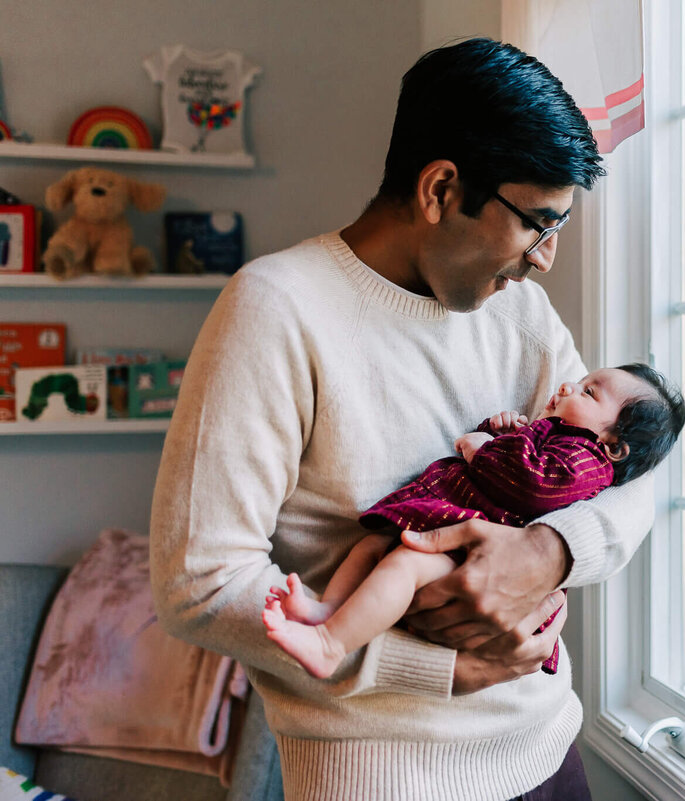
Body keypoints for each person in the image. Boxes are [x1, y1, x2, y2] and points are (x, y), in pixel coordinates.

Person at [150, 38, 657, 801]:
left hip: (552, 755)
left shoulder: (522, 314)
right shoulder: (277, 310)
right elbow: (198, 582)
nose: (546, 259)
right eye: (537, 225)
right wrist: (440, 669)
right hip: (381, 779)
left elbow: (631, 473)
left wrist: (551, 549)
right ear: (441, 188)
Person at [261, 364, 685, 680]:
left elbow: (532, 485)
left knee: (403, 565)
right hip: (454, 524)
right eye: (582, 379)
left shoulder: (585, 459)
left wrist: (484, 450)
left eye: (588, 392)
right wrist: (501, 429)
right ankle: (330, 612)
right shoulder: (557, 434)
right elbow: (518, 456)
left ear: (613, 446)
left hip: (476, 552)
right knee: (370, 546)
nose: (567, 385)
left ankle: (331, 646)